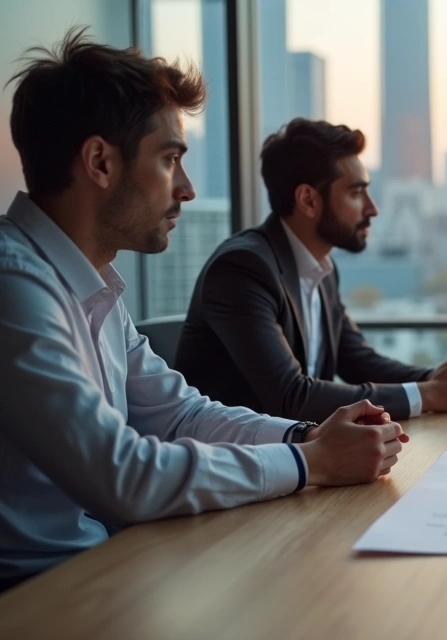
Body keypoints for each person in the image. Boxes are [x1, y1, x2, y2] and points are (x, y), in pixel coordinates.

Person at [0, 30, 406, 591]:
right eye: (170, 159)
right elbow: (126, 474)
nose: (187, 189)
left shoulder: (90, 287)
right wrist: (313, 464)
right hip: (37, 597)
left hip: (108, 571)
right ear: (99, 162)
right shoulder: (13, 286)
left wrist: (306, 437)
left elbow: (182, 416)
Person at [176, 118, 447, 423]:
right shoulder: (242, 270)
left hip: (301, 458)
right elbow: (291, 397)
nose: (372, 208)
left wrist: (441, 379)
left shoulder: (321, 270)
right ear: (309, 200)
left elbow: (359, 362)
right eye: (356, 193)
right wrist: (431, 394)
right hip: (237, 465)